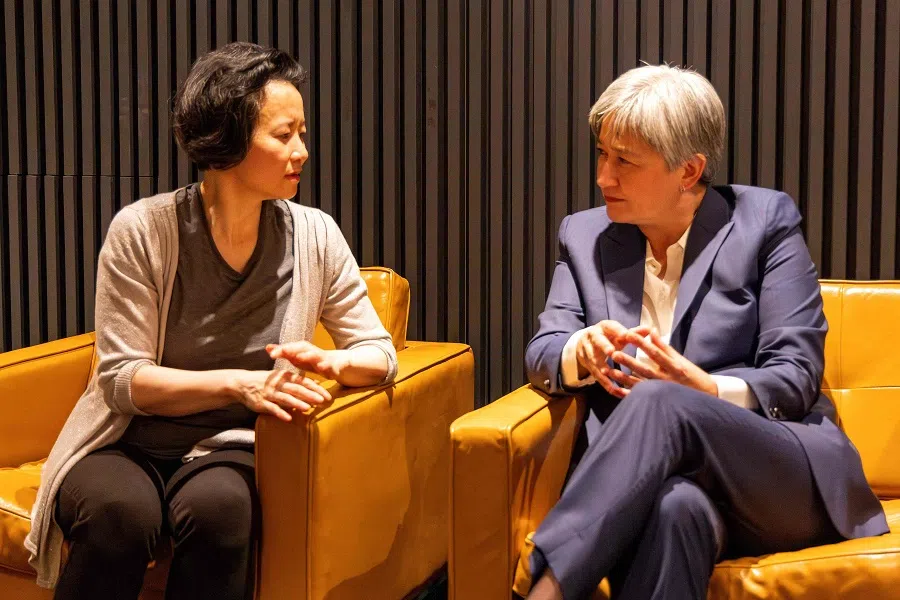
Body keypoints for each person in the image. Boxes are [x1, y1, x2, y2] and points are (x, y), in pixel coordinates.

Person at [25, 42, 398, 600]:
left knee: (223, 509)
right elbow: (124, 381)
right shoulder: (144, 231)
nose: (301, 150)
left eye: (303, 132)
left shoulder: (316, 235)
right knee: (120, 515)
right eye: (283, 134)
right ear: (227, 138)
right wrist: (239, 383)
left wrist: (332, 360)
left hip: (230, 447)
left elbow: (380, 354)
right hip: (124, 442)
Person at [520, 64, 888, 600]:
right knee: (676, 511)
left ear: (688, 171)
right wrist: (582, 350)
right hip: (656, 484)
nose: (604, 176)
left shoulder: (765, 222)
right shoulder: (586, 235)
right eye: (602, 153)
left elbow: (796, 374)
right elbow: (544, 348)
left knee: (661, 402)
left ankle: (546, 590)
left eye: (625, 161)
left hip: (772, 476)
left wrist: (707, 390)